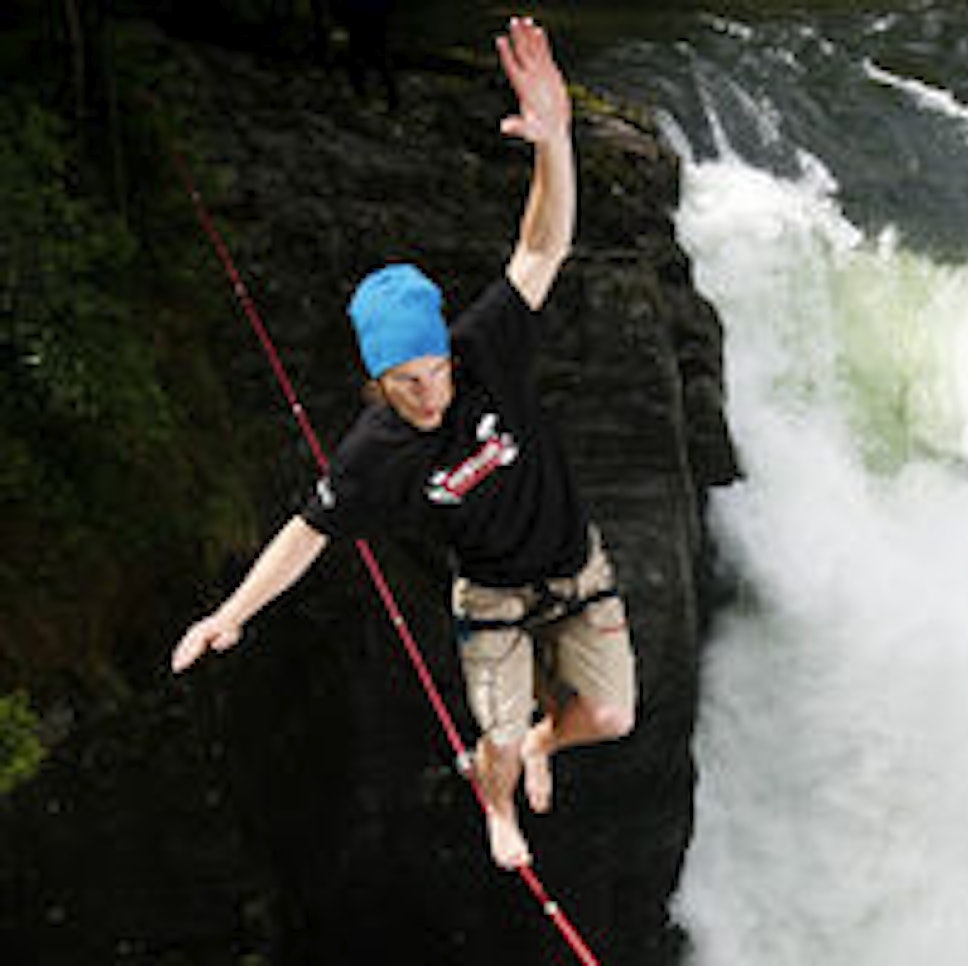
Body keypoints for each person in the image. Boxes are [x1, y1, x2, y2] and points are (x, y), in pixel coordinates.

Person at [171, 17, 636, 871]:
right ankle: (500, 799)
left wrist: (556, 140)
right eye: (406, 382)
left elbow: (542, 247)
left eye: (434, 371)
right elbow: (306, 532)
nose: (430, 394)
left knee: (609, 719)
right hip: (491, 596)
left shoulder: (481, 348)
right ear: (377, 383)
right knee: (489, 744)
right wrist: (229, 615)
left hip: (575, 564)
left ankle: (544, 744)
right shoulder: (376, 451)